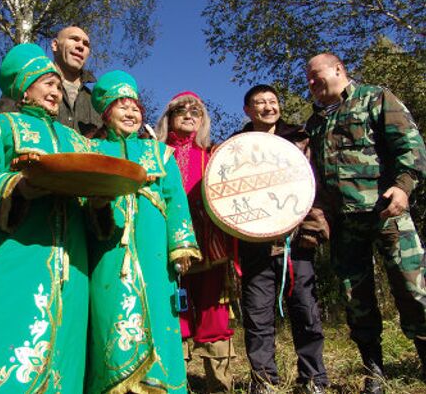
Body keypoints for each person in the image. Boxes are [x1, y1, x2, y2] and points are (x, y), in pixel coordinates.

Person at [0, 43, 98, 393]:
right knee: (6, 335)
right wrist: (17, 187)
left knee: (66, 345)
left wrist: (101, 199)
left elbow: (92, 182)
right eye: (47, 83)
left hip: (70, 259)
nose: (55, 90)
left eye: (57, 85)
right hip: (13, 253)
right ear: (24, 87)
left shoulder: (75, 140)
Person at [305, 53, 426, 393]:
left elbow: (411, 146)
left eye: (317, 75)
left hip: (387, 212)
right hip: (344, 224)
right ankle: (374, 373)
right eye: (308, 80)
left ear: (338, 69)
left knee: (413, 288)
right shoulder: (315, 124)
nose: (312, 84)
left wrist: (403, 188)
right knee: (355, 299)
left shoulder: (376, 98)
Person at [85, 71, 202, 393]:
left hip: (154, 251)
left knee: (158, 313)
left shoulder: (160, 153)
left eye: (135, 107)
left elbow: (176, 202)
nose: (131, 113)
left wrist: (181, 247)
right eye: (122, 107)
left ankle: (161, 384)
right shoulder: (91, 150)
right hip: (107, 248)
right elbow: (81, 197)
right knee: (109, 312)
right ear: (106, 113)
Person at [233, 85, 329, 394]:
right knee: (258, 315)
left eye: (272, 101)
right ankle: (264, 381)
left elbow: (312, 185)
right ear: (248, 110)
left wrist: (312, 230)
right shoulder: (236, 147)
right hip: (254, 245)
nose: (267, 107)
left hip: (296, 242)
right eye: (259, 103)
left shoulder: (300, 140)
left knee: (306, 311)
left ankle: (313, 378)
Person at [156, 91, 237, 393]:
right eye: (181, 110)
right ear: (169, 118)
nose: (189, 114)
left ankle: (220, 386)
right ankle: (176, 384)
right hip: (166, 250)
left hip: (210, 247)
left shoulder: (215, 157)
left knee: (213, 317)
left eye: (196, 111)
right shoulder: (155, 154)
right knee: (173, 316)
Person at [0, 26, 102, 136]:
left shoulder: (98, 103)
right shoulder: (25, 84)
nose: (81, 46)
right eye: (74, 39)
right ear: (55, 45)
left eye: (86, 44)